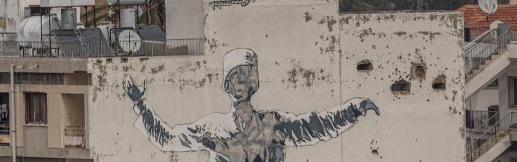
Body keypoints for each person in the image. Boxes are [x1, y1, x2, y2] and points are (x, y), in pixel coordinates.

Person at [124, 48, 379, 162]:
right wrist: (140, 104)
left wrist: (354, 109)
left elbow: (314, 126)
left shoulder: (273, 124)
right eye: (234, 77)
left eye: (244, 76)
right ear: (227, 84)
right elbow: (168, 139)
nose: (239, 82)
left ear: (253, 82)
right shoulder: (213, 128)